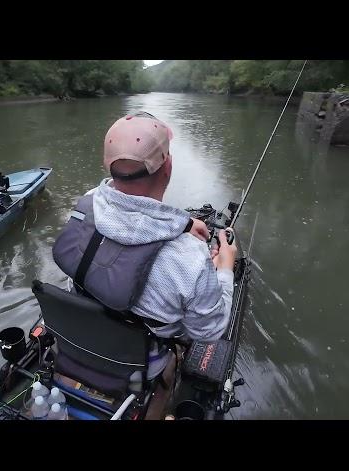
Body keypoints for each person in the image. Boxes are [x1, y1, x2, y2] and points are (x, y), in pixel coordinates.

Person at [51, 111, 237, 413]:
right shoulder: (187, 257)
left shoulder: (86, 205)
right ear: (168, 166)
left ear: (108, 165)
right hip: (139, 367)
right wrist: (224, 266)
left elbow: (124, 214)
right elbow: (209, 331)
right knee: (175, 354)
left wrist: (183, 223)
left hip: (83, 344)